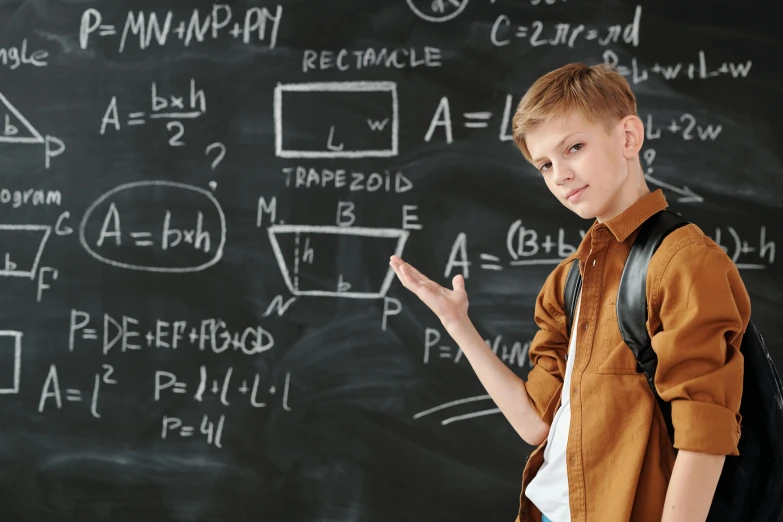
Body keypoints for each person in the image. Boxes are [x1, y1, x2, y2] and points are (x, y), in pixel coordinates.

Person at [388, 62, 749, 522]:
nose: (560, 175)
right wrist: (457, 324)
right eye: (544, 165)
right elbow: (535, 422)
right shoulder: (569, 279)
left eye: (574, 147)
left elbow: (704, 434)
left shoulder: (683, 262)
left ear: (628, 137)